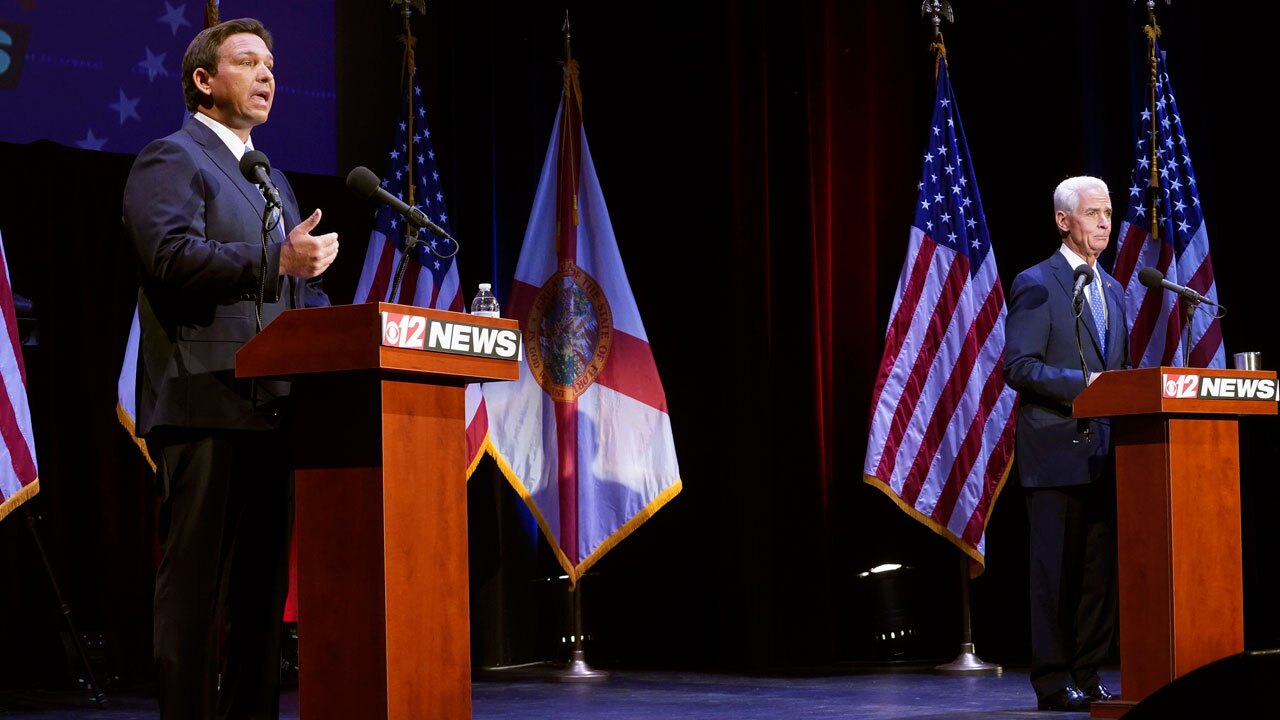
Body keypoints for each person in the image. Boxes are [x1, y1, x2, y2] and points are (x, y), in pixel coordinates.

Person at [122, 17, 338, 720]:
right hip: (202, 400)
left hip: (272, 407)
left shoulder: (271, 177)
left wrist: (341, 315)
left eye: (271, 64)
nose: (267, 74)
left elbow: (292, 295)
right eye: (247, 62)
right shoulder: (171, 158)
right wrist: (275, 262)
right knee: (195, 594)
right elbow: (172, 258)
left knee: (259, 597)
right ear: (204, 82)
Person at [1004, 175, 1128, 712]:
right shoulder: (1037, 282)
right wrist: (1089, 388)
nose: (1105, 222)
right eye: (1093, 212)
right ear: (1063, 221)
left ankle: (1088, 670)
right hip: (1055, 451)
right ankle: (1054, 681)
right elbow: (1020, 366)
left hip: (1105, 454)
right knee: (1057, 575)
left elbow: (1118, 371)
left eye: (1108, 212)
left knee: (1098, 578)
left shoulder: (1117, 288)